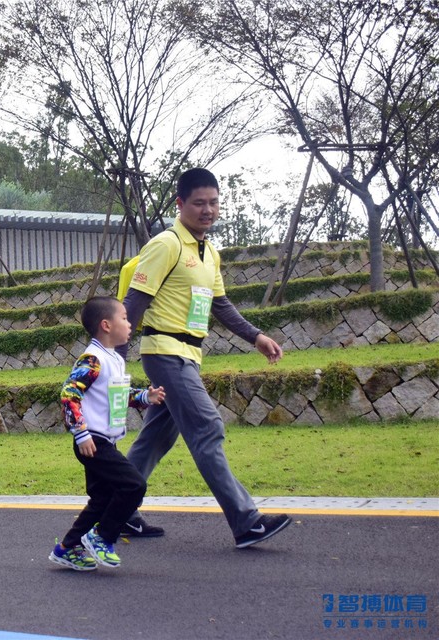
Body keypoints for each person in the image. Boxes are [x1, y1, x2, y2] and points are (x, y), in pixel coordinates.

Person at [119, 167, 291, 548]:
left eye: (213, 202)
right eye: (199, 203)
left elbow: (220, 305)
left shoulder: (209, 252)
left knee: (155, 439)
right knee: (208, 427)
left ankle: (117, 510)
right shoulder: (166, 245)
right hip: (164, 352)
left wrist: (257, 336)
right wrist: (113, 359)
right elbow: (133, 304)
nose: (207, 210)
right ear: (180, 204)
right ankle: (247, 522)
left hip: (189, 354)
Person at [49, 296, 166, 571]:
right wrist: (81, 433)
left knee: (101, 499)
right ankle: (102, 537)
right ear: (106, 325)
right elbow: (69, 394)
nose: (129, 323)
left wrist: (145, 397)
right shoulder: (93, 359)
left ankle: (66, 548)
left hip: (103, 440)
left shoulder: (113, 359)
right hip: (93, 441)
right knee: (133, 485)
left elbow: (117, 395)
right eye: (124, 318)